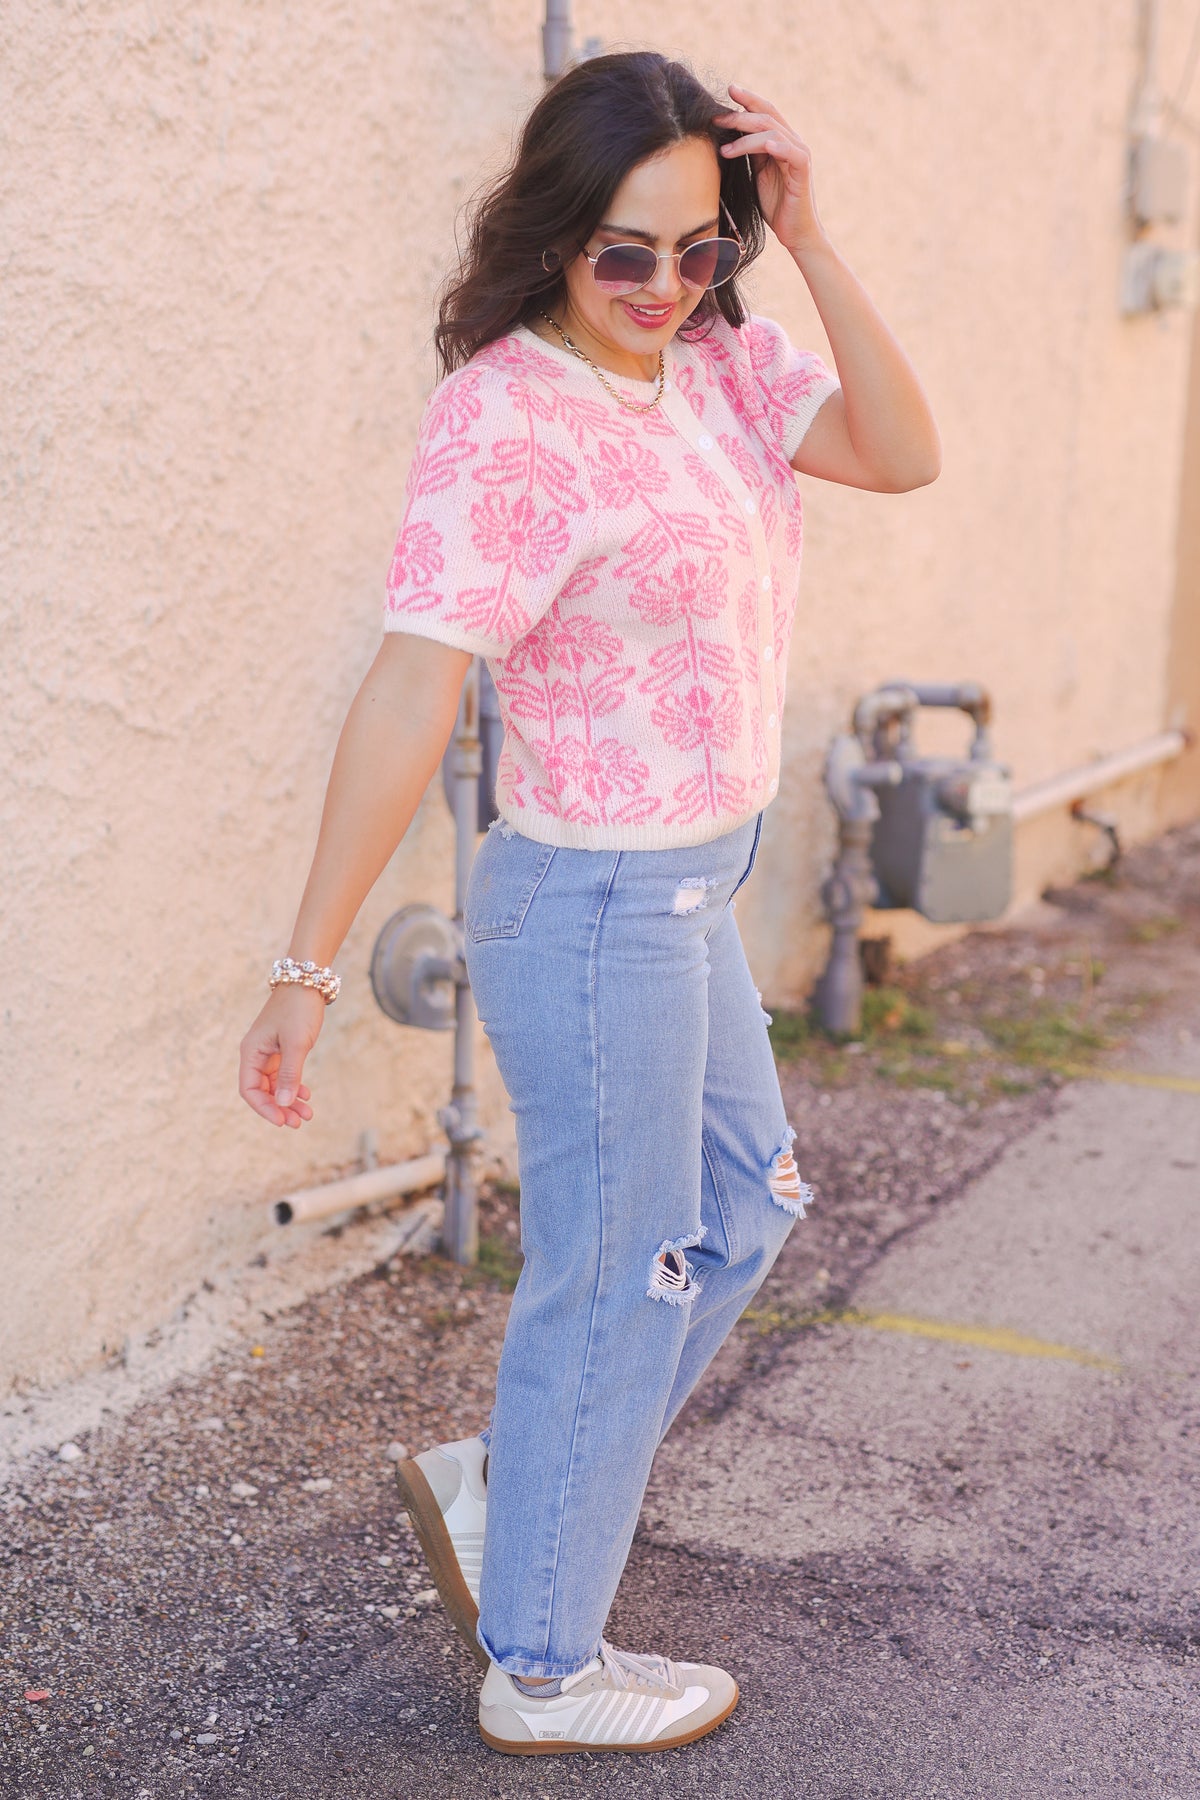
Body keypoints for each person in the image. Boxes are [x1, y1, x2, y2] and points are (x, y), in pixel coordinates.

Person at [238, 49, 940, 1757]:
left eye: (702, 247)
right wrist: (306, 968)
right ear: (557, 233)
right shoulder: (506, 418)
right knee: (619, 1274)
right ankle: (542, 1667)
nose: (662, 285)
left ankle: (520, 1487)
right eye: (626, 250)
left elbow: (901, 451)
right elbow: (412, 692)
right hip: (594, 906)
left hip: (696, 891)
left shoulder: (723, 368)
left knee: (743, 1209)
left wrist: (809, 240)